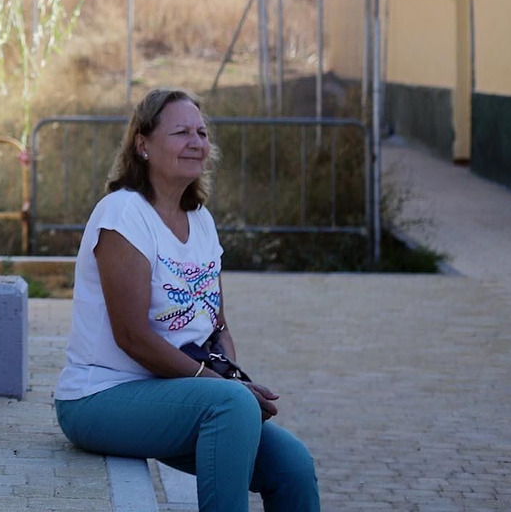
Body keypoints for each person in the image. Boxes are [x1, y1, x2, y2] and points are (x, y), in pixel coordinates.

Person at [53, 88, 320, 512]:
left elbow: (217, 325)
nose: (196, 142)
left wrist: (232, 383)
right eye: (181, 132)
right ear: (143, 144)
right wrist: (227, 392)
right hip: (99, 398)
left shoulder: (201, 220)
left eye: (202, 132)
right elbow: (132, 337)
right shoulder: (123, 214)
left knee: (292, 464)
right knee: (232, 405)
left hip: (175, 395)